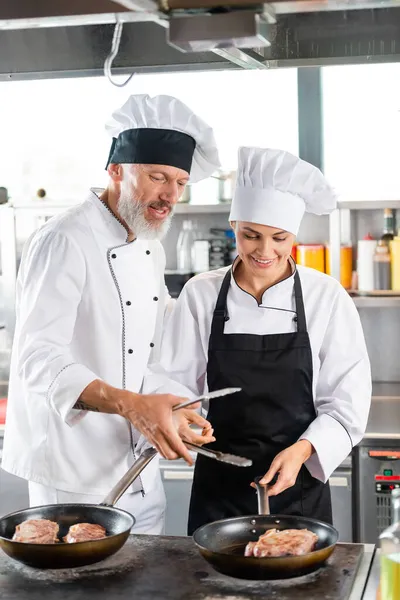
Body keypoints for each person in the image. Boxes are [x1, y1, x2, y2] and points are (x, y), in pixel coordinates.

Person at [1, 94, 219, 534]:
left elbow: (147, 353)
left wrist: (171, 407)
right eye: (158, 177)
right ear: (116, 170)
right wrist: (132, 405)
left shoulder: (150, 246)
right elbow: (37, 358)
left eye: (180, 182)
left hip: (139, 468)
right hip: (72, 475)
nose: (170, 195)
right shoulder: (64, 239)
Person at [144, 146, 372, 534]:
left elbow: (347, 402)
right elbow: (174, 382)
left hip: (299, 482)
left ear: (293, 236)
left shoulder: (326, 296)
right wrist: (183, 417)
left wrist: (303, 451)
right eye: (251, 235)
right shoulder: (201, 294)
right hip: (219, 487)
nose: (265, 252)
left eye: (279, 238)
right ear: (234, 226)